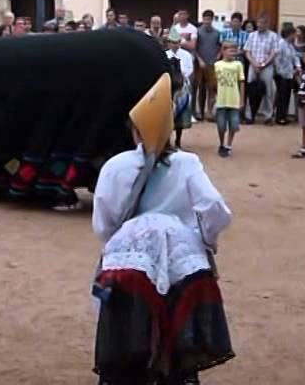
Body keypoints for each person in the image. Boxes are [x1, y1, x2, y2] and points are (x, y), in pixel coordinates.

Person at [91, 73, 234, 384]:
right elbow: (214, 207)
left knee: (126, 344)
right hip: (182, 262)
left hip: (128, 264)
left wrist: (123, 240)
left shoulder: (116, 166)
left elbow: (103, 225)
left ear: (135, 130)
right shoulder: (187, 163)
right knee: (179, 348)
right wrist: (204, 241)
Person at [244, 16, 280, 124]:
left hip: (267, 67)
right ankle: (249, 115)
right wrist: (254, 64)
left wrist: (263, 64)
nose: (259, 25)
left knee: (269, 91)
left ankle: (268, 116)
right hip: (253, 65)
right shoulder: (252, 35)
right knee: (250, 90)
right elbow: (247, 51)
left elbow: (274, 52)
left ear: (267, 24)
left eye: (262, 23)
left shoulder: (273, 36)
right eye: (258, 23)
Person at [215, 41, 245, 158]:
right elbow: (214, 82)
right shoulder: (217, 65)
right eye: (230, 51)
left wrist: (241, 99)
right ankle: (221, 143)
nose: (232, 54)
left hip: (234, 99)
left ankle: (229, 144)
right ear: (223, 51)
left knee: (233, 124)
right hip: (221, 99)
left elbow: (241, 82)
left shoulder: (238, 65)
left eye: (234, 51)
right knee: (221, 125)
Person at [194, 10, 221, 122]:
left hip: (212, 64)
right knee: (200, 88)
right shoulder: (198, 32)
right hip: (200, 64)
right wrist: (199, 60)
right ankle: (200, 112)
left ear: (212, 20)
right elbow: (194, 48)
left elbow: (220, 47)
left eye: (209, 19)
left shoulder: (217, 33)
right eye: (205, 19)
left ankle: (210, 112)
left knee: (212, 89)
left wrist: (218, 57)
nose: (207, 22)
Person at [274, 25, 300, 125]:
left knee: (287, 95)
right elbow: (277, 59)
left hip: (289, 74)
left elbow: (295, 57)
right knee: (282, 96)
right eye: (294, 34)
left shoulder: (290, 45)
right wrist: (280, 72)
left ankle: (283, 115)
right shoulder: (281, 44)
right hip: (281, 75)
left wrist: (298, 66)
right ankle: (279, 117)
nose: (295, 36)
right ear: (290, 34)